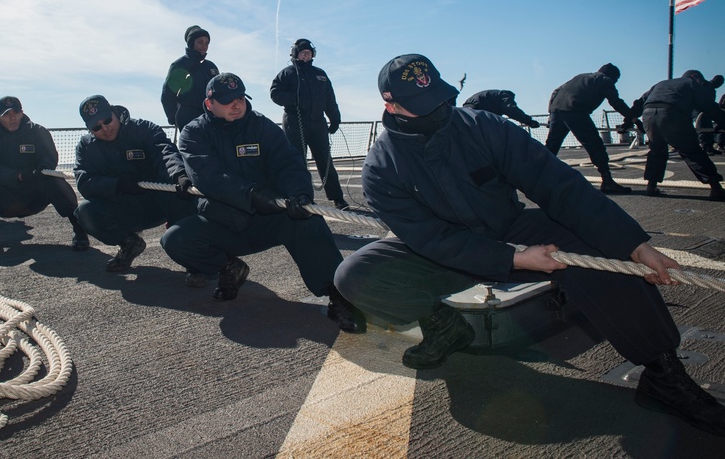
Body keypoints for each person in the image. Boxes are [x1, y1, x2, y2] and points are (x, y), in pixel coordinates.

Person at [334, 53, 725, 436]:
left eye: (440, 96)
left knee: (600, 250)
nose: (438, 108)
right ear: (389, 103)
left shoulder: (484, 127)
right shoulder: (381, 169)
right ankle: (443, 325)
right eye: (423, 104)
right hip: (445, 250)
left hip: (510, 225)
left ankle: (663, 376)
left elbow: (559, 186)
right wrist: (514, 259)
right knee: (357, 274)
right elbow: (431, 238)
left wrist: (635, 245)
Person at [161, 72, 364, 333]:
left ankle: (338, 295)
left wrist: (299, 193)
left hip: (268, 218)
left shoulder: (262, 126)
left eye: (240, 98)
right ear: (209, 104)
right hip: (222, 220)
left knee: (309, 221)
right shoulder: (193, 133)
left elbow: (288, 162)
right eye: (227, 100)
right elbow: (209, 176)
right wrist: (253, 194)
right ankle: (229, 267)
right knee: (175, 239)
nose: (236, 104)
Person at [74, 95, 197, 272]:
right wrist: (118, 185)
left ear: (114, 112)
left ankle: (196, 264)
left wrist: (178, 174)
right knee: (84, 211)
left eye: (107, 120)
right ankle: (129, 244)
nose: (105, 128)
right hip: (125, 207)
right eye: (96, 127)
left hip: (159, 202)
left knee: (186, 202)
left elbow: (165, 153)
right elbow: (84, 180)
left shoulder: (143, 129)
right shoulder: (86, 147)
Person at [0, 96, 87, 250]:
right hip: (3, 197)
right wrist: (18, 175)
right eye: (7, 114)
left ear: (22, 113)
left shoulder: (39, 132)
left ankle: (80, 231)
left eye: (15, 113)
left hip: (34, 194)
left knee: (55, 181)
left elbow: (49, 158)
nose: (12, 118)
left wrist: (39, 170)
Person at [270, 39, 349, 210]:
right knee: (297, 160)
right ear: (295, 54)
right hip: (295, 121)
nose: (306, 55)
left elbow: (330, 98)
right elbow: (275, 93)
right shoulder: (288, 73)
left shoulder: (320, 74)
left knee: (325, 160)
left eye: (308, 52)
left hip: (318, 122)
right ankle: (301, 196)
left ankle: (338, 198)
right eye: (302, 52)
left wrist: (335, 118)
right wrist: (294, 99)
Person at [625, 71, 725, 200]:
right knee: (691, 151)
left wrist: (628, 121)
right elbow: (708, 106)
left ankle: (651, 186)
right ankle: (716, 187)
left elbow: (639, 102)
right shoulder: (691, 83)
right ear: (695, 77)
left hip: (648, 115)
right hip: (671, 114)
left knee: (656, 151)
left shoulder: (661, 83)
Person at [544, 63, 633, 194]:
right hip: (576, 111)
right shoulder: (605, 80)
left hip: (557, 111)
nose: (615, 82)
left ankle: (538, 175)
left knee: (551, 147)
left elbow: (556, 91)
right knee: (595, 146)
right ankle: (607, 181)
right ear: (613, 76)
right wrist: (632, 117)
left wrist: (551, 114)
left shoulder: (580, 76)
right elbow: (616, 102)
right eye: (616, 79)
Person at [161, 25, 220, 130]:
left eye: (207, 43)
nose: (204, 46)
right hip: (188, 118)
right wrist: (173, 118)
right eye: (200, 42)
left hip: (211, 117)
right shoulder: (180, 65)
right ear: (191, 43)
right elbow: (167, 94)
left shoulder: (211, 66)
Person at [462, 89, 541, 129]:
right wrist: (529, 121)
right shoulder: (504, 95)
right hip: (478, 111)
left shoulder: (494, 95)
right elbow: (511, 110)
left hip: (467, 110)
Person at [694, 75, 724, 155]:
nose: (720, 85)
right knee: (702, 128)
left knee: (709, 128)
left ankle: (709, 147)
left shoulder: (711, 89)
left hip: (707, 111)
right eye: (720, 83)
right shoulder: (704, 85)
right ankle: (705, 147)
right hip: (700, 110)